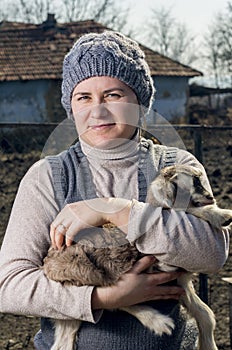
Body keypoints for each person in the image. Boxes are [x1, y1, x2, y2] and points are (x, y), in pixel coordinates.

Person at [0, 31, 229, 350]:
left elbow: (212, 254)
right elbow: (9, 285)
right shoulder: (48, 177)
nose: (98, 111)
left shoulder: (176, 164)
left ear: (140, 103)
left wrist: (117, 209)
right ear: (71, 108)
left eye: (113, 95)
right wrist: (105, 297)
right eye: (83, 98)